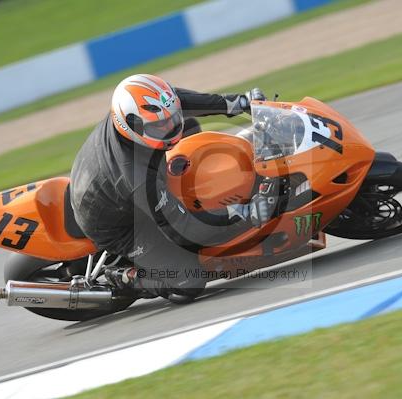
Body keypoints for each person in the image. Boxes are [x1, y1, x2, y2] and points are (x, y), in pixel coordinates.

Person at [69, 74, 276, 304]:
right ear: (133, 125)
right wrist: (244, 213)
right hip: (117, 224)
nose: (170, 126)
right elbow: (184, 228)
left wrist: (237, 102)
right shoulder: (136, 177)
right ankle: (124, 277)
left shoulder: (144, 113)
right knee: (189, 280)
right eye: (159, 125)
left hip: (104, 181)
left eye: (171, 118)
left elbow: (182, 100)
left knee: (191, 127)